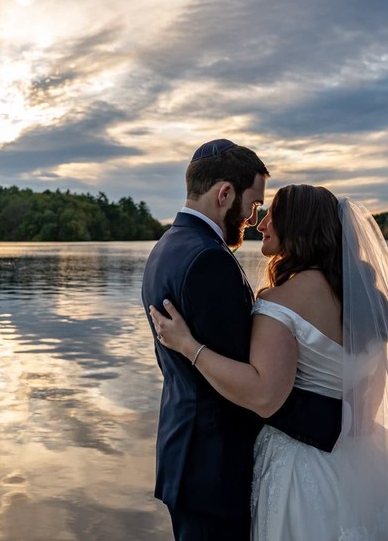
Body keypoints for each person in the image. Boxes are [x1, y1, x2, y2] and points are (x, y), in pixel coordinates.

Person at [150, 184, 388, 540]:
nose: (261, 223)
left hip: (300, 470)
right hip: (366, 460)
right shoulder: (371, 303)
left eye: (272, 215)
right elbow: (368, 405)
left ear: (297, 227)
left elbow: (265, 395)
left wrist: (189, 346)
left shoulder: (279, 302)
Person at [142, 142, 343, 541]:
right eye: (254, 205)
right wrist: (336, 419)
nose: (254, 220)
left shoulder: (170, 246)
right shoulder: (208, 260)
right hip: (212, 468)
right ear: (224, 194)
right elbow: (254, 386)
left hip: (191, 457)